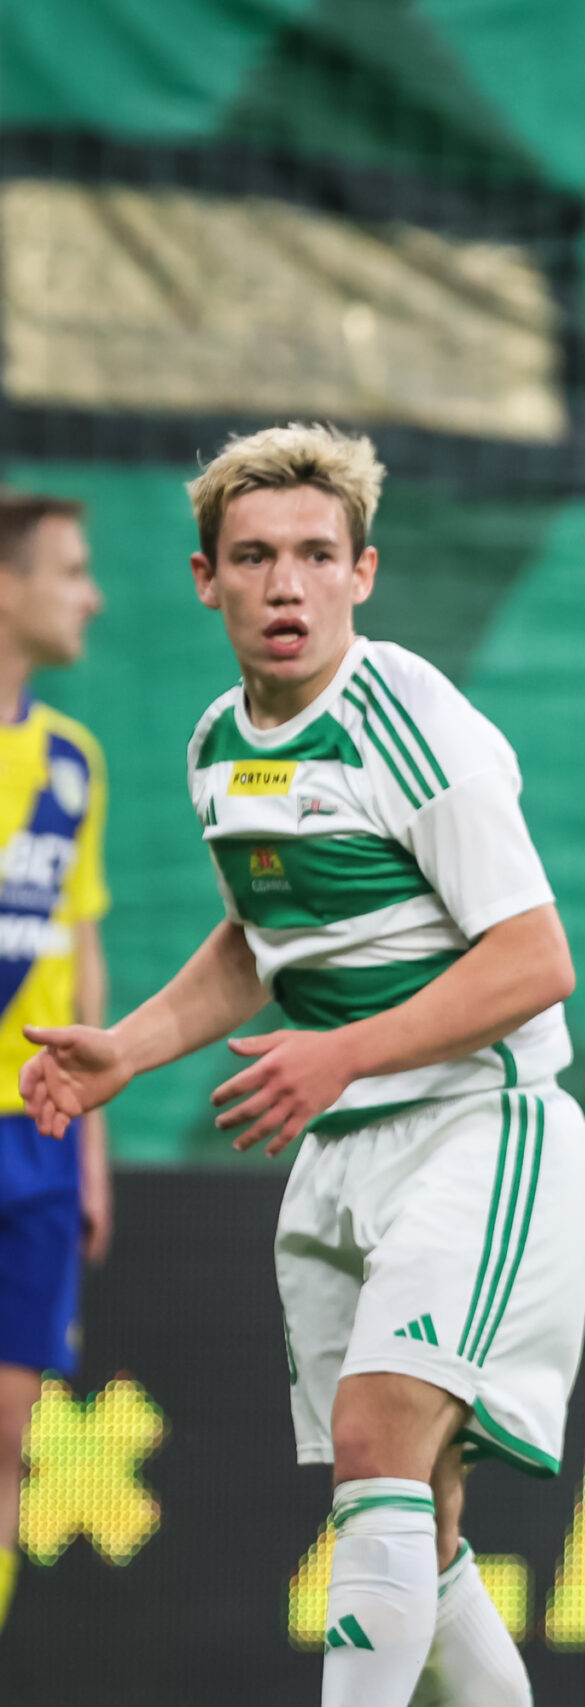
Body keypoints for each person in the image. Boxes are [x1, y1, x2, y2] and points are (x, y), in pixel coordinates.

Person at [19, 425, 585, 1707]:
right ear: (204, 579)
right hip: (343, 1146)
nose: (288, 586)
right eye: (255, 557)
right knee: (417, 1525)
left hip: (480, 1125)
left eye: (318, 556)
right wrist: (129, 1047)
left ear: (363, 573)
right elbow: (260, 941)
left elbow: (535, 958)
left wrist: (341, 1053)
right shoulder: (217, 745)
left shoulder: (410, 718)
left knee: (378, 1445)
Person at [0, 491, 108, 1636]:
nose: (93, 596)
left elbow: (80, 953)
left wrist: (93, 1148)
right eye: (71, 571)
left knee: (10, 1435)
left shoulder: (72, 761)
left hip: (37, 1138)